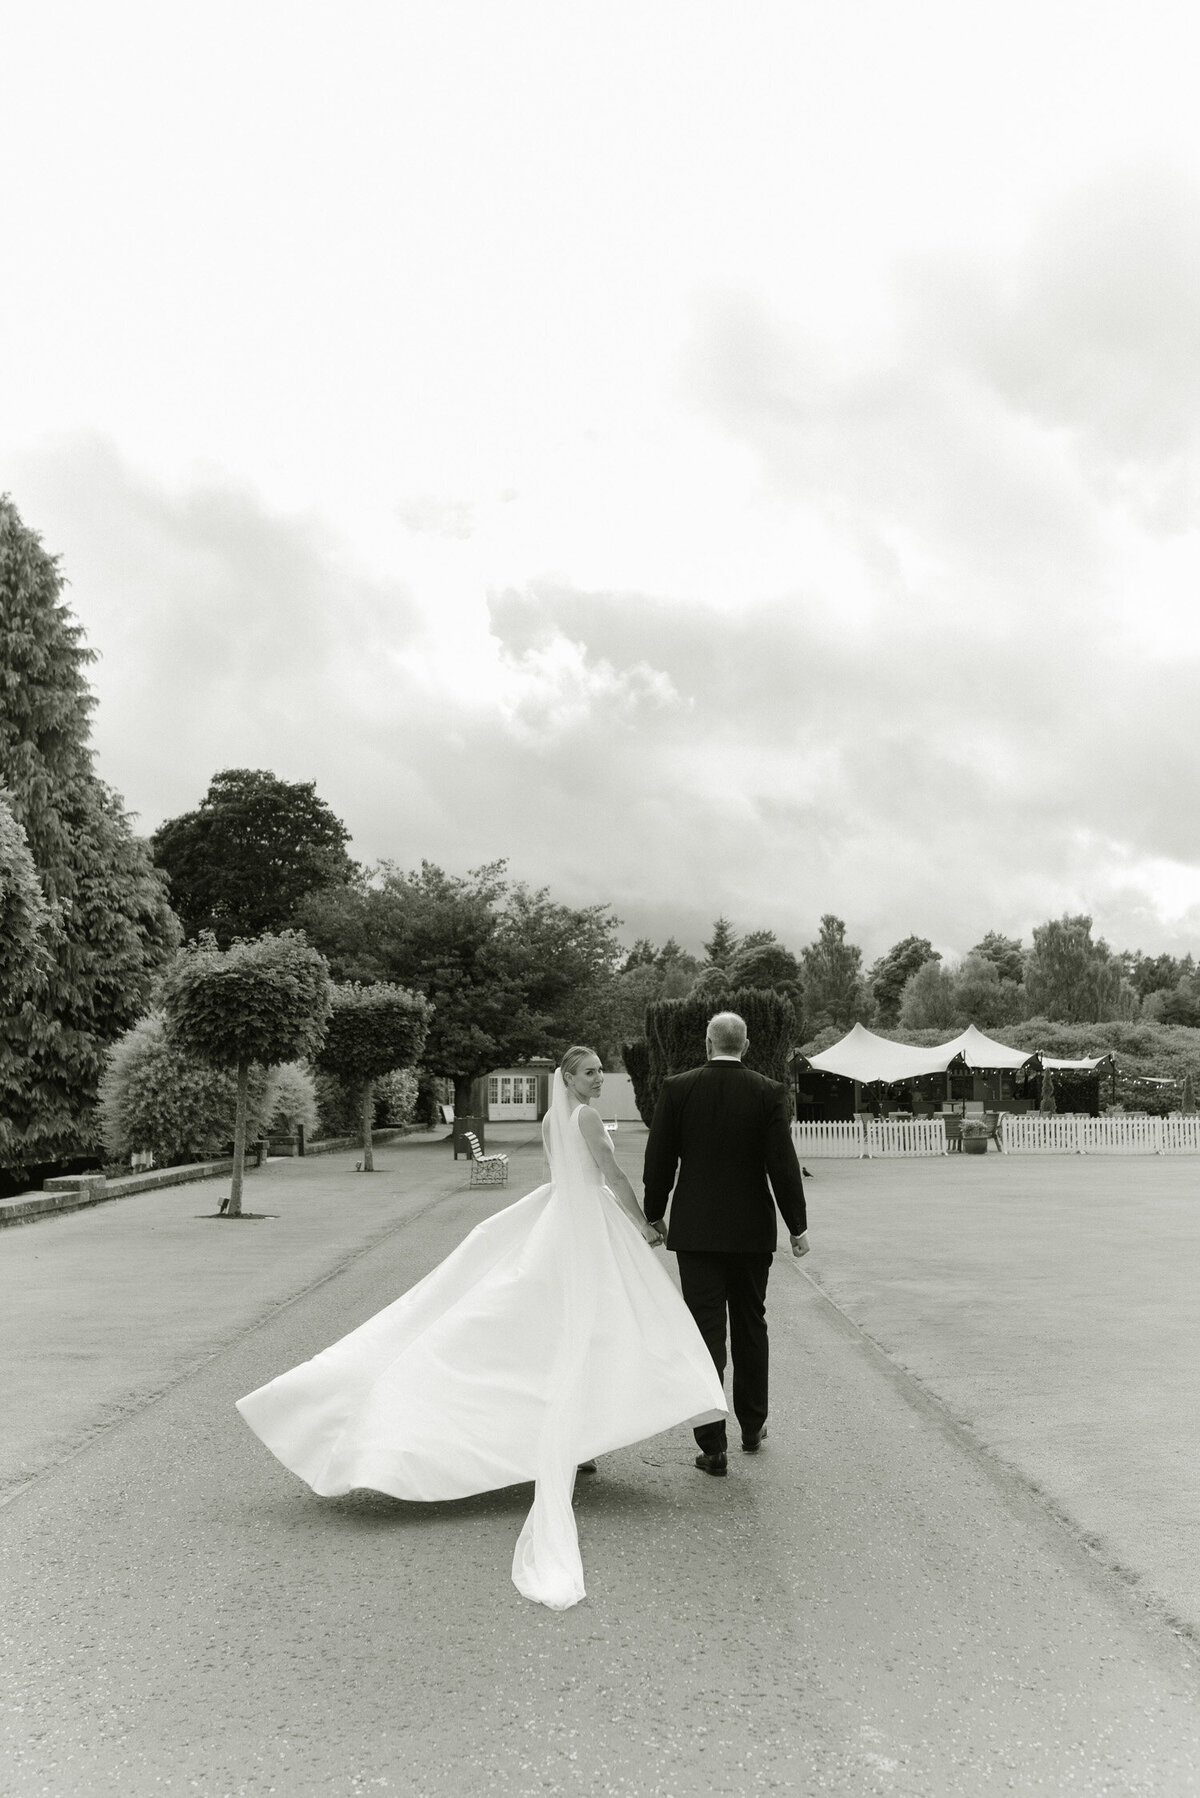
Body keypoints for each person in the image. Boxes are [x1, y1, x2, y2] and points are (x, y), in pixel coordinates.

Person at [236, 1046, 726, 1611]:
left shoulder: (550, 1117)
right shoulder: (583, 1117)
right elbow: (612, 1174)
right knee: (604, 1328)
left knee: (565, 1331)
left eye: (597, 1072)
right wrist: (644, 1224)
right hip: (586, 1226)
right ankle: (575, 1434)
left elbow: (558, 1174)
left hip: (561, 1219)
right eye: (589, 1073)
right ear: (568, 1076)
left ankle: (577, 1435)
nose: (596, 1081)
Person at [642, 1010, 809, 1477]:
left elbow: (660, 1162)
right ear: (747, 1045)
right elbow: (783, 1164)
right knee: (752, 1325)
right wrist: (797, 1226)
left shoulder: (678, 1088)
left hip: (696, 1233)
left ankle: (712, 1445)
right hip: (752, 1232)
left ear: (707, 1042)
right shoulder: (768, 1092)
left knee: (705, 1334)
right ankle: (753, 1427)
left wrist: (654, 1212)